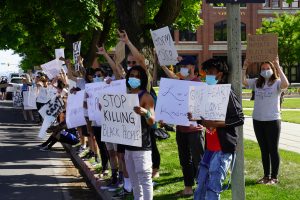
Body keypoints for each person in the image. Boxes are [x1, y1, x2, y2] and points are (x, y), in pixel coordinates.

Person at [189, 58, 244, 200]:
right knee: (200, 184)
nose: (207, 75)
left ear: (220, 74)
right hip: (209, 148)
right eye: (206, 72)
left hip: (222, 149)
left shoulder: (227, 93)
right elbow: (207, 120)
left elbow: (239, 118)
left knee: (213, 188)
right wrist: (197, 118)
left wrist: (214, 124)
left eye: (211, 72)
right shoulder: (207, 92)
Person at [161, 56, 205, 196]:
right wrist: (163, 66)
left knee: (199, 160)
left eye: (184, 66)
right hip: (181, 129)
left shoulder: (198, 83)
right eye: (180, 67)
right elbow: (172, 78)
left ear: (192, 67)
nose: (182, 70)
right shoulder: (180, 82)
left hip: (194, 130)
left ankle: (202, 187)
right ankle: (188, 187)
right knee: (184, 160)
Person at [242, 57, 289, 184]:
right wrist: (245, 67)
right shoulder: (257, 82)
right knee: (264, 149)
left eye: (268, 68)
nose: (265, 70)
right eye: (263, 69)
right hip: (258, 120)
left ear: (272, 70)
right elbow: (243, 82)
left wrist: (278, 66)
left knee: (273, 149)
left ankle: (274, 177)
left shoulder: (277, 82)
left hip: (273, 120)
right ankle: (266, 176)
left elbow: (286, 84)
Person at [125, 65, 155, 200]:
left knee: (144, 179)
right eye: (132, 75)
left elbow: (152, 121)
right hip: (128, 144)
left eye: (137, 76)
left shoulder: (146, 96)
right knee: (134, 181)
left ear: (142, 79)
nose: (134, 78)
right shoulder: (126, 95)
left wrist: (145, 112)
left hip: (142, 144)